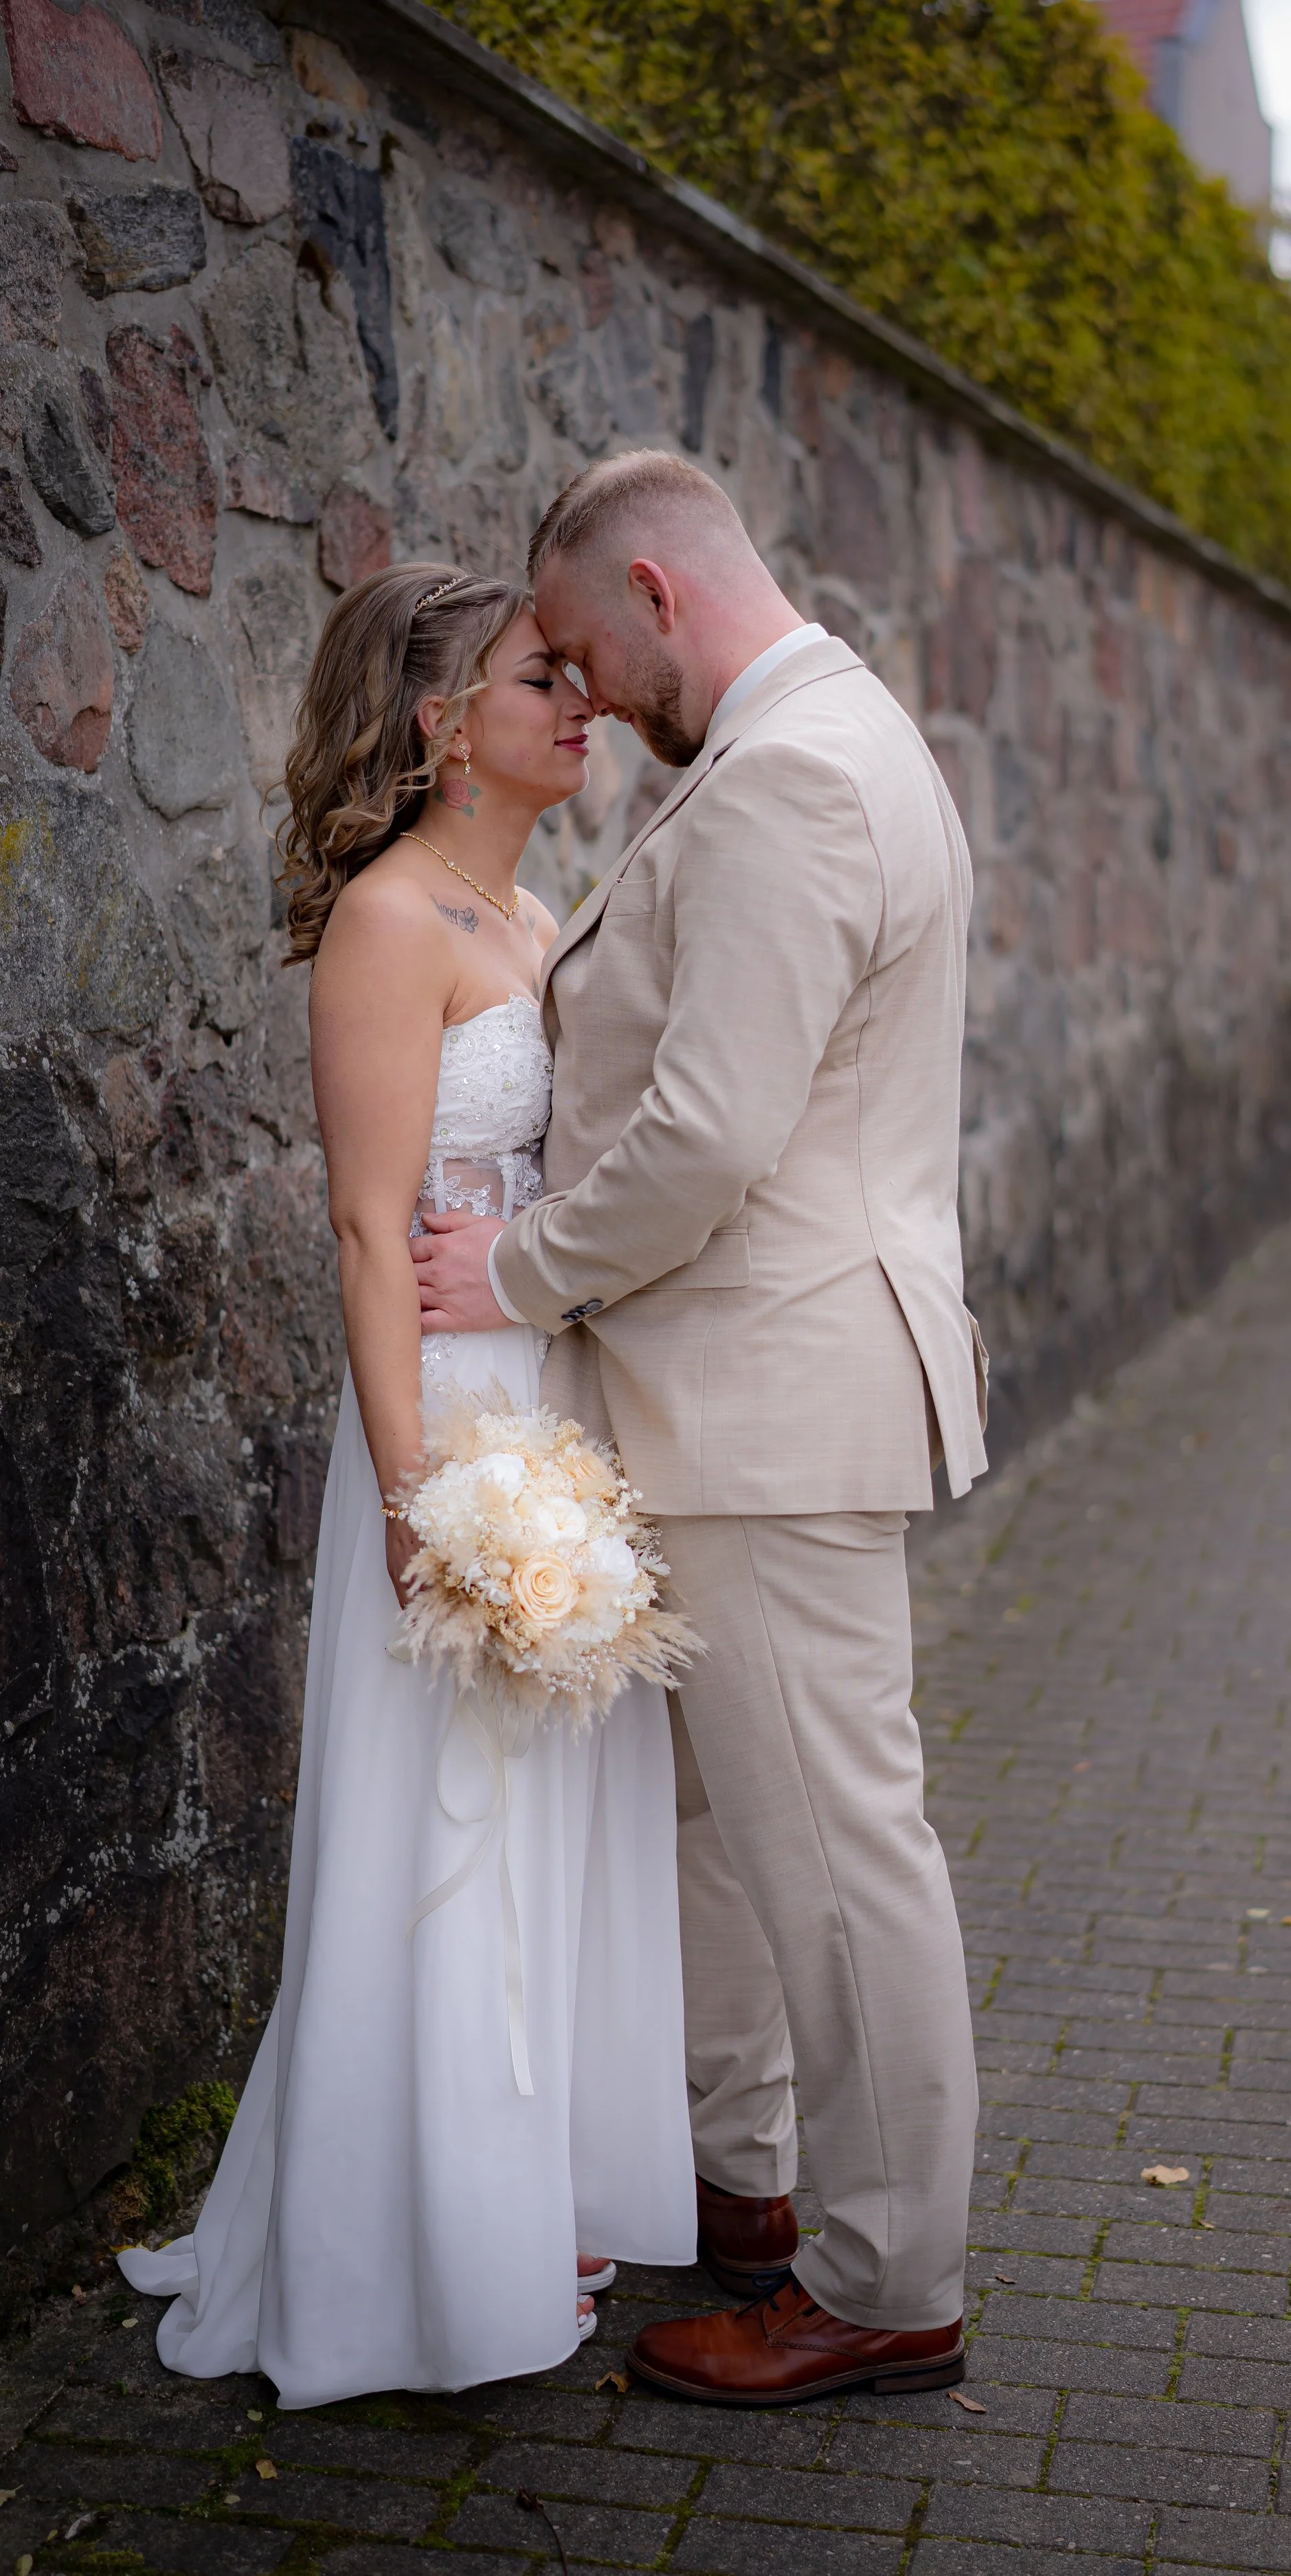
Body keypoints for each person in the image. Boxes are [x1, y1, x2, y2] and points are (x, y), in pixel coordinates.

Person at [409, 452, 989, 2404]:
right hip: (737, 1394)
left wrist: (514, 1274)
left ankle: (887, 2280)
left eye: (587, 649)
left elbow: (709, 1135)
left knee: (835, 1848)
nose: (584, 691)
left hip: (771, 1397)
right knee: (734, 1831)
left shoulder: (796, 774)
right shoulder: (817, 744)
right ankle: (746, 2186)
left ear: (658, 591)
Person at [117, 564, 697, 2408]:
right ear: (445, 723)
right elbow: (371, 1230)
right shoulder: (389, 923)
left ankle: (526, 2198)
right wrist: (407, 1496)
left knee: (552, 1818)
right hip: (445, 1424)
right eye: (542, 679)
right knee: (447, 1825)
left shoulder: (530, 914)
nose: (582, 703)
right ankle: (414, 2252)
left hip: (555, 1402)